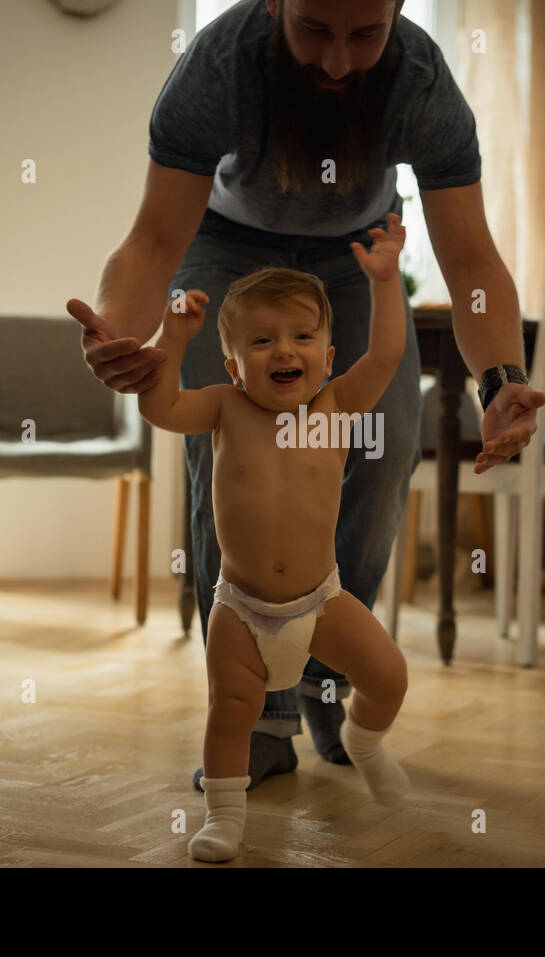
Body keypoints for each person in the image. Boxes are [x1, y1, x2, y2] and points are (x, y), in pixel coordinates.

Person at [67, 0, 545, 793]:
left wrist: (500, 379)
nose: (336, 62)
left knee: (386, 443)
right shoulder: (218, 66)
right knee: (229, 454)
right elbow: (155, 238)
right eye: (314, 31)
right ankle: (256, 714)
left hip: (356, 253)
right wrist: (117, 333)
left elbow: (469, 255)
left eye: (365, 35)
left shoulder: (422, 83)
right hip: (224, 246)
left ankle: (327, 675)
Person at [119, 213, 409, 861]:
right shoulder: (224, 406)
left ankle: (363, 740)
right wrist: (170, 334)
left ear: (328, 357)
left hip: (320, 605)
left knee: (388, 673)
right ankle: (224, 815)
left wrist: (385, 281)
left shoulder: (336, 407)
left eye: (302, 336)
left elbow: (387, 355)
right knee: (230, 712)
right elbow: (158, 407)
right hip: (241, 611)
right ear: (232, 362)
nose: (285, 350)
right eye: (262, 340)